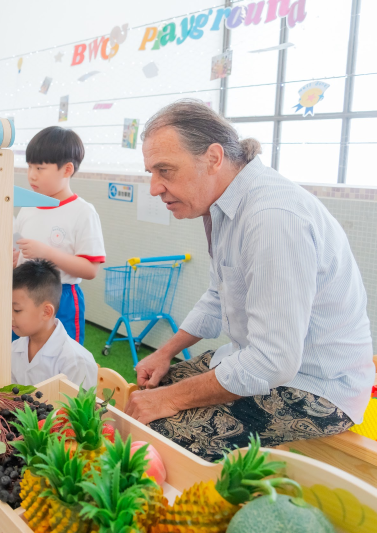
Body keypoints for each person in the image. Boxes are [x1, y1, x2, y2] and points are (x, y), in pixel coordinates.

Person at [125, 99, 374, 462]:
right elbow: (218, 294)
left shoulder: (272, 217)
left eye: (165, 170)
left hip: (317, 388)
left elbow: (273, 361)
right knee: (149, 392)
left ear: (213, 157)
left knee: (157, 436)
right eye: (151, 172)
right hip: (265, 361)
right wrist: (165, 351)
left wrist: (168, 400)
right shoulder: (224, 207)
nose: (154, 188)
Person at [14, 126, 106, 344]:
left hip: (60, 298)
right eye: (29, 167)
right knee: (18, 354)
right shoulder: (28, 207)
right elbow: (18, 252)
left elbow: (90, 269)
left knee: (60, 362)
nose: (31, 175)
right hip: (21, 296)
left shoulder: (83, 212)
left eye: (40, 168)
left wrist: (47, 253)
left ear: (66, 170)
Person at [11, 259, 97, 389]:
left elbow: (78, 409)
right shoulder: (14, 348)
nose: (9, 316)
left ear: (46, 312)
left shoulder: (76, 362)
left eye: (17, 310)